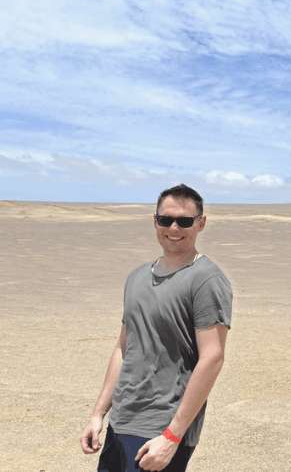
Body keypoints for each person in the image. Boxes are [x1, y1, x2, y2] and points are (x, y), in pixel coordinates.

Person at [80, 184, 233, 471]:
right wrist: (98, 415)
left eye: (185, 221)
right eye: (166, 220)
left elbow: (212, 358)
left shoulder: (206, 279)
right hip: (122, 422)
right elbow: (124, 348)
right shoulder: (137, 277)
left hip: (160, 428)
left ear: (201, 224)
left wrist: (172, 436)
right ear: (155, 222)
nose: (174, 228)